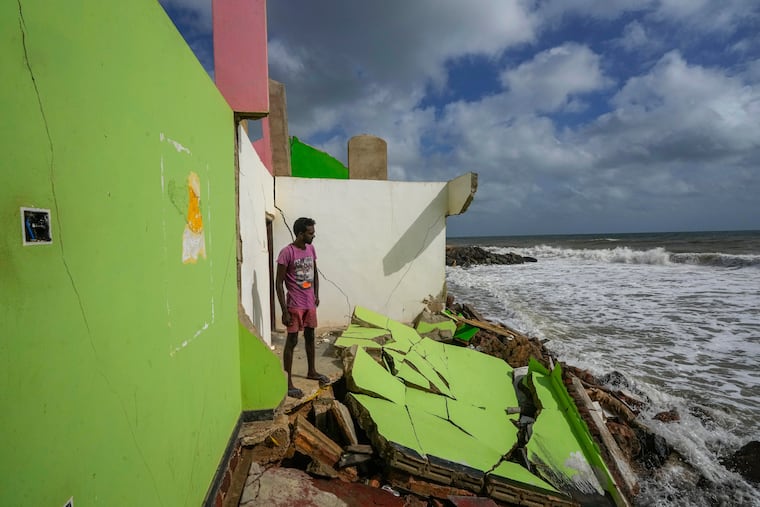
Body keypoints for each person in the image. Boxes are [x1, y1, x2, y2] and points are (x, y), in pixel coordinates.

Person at [276, 217, 329, 398]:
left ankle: (312, 371)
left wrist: (316, 294)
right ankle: (288, 382)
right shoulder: (286, 253)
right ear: (300, 234)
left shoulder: (311, 249)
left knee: (310, 337)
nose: (313, 236)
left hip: (309, 303)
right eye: (310, 233)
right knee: (292, 341)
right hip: (294, 305)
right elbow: (278, 283)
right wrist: (284, 310)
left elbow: (315, 272)